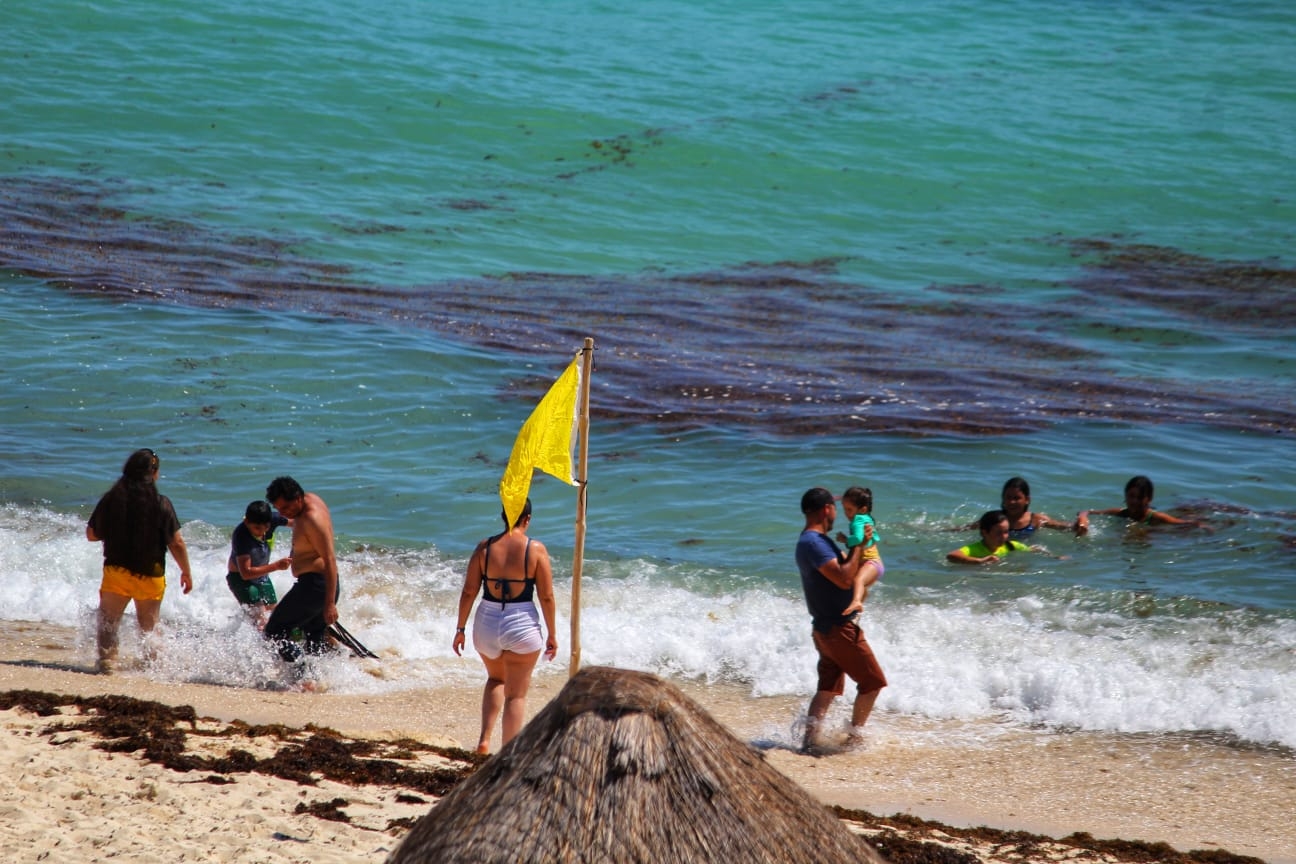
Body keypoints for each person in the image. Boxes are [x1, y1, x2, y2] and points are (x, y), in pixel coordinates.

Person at [453, 498, 558, 754]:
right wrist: (552, 633)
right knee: (516, 695)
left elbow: (469, 591)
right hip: (521, 623)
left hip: (486, 622)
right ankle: (508, 753)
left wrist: (460, 628)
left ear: (503, 515)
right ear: (528, 518)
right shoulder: (535, 550)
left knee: (495, 679)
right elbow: (546, 596)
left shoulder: (484, 547)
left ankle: (484, 740)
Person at [796, 487, 886, 754]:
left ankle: (809, 742)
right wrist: (859, 544)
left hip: (826, 628)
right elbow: (845, 578)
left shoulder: (813, 541)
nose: (838, 512)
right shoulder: (814, 543)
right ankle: (853, 740)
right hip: (838, 628)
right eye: (835, 507)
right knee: (873, 682)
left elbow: (844, 572)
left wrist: (856, 549)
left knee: (827, 688)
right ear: (826, 510)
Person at [85, 448, 193, 674]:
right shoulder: (162, 503)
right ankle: (153, 667)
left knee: (108, 623)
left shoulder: (112, 499)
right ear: (153, 473)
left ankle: (107, 664)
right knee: (149, 628)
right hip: (151, 576)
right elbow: (176, 543)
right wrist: (186, 572)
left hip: (117, 571)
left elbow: (92, 535)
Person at [262, 476, 339, 664]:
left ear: (297, 498)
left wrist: (329, 604)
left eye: (286, 508)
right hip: (317, 585)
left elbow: (330, 560)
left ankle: (302, 673)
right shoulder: (310, 500)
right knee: (314, 636)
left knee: (274, 631)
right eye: (279, 509)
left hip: (316, 587)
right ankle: (317, 680)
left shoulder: (312, 518)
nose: (283, 513)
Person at [225, 500, 292, 629]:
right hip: (240, 579)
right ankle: (260, 648)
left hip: (262, 577)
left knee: (274, 613)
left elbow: (298, 523)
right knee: (260, 620)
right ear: (246, 522)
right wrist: (276, 566)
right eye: (256, 528)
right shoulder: (241, 536)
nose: (261, 531)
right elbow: (246, 573)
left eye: (265, 528)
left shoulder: (272, 519)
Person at [1075, 475, 1201, 534]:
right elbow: (1087, 511)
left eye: (1140, 498)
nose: (1134, 501)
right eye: (1131, 496)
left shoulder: (1158, 517)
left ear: (1149, 499)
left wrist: (1201, 526)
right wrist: (1083, 518)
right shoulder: (1120, 513)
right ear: (1125, 496)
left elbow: (1183, 523)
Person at [834, 486, 883, 615]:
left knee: (858, 581)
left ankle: (856, 602)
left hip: (871, 563)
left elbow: (859, 539)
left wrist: (846, 540)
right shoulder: (865, 518)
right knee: (858, 584)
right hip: (871, 563)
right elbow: (861, 541)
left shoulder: (857, 520)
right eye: (844, 509)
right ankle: (856, 611)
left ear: (862, 509)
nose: (846, 513)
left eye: (849, 509)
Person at [997, 476, 1081, 539]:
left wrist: (1080, 524)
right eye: (1008, 497)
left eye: (1016, 498)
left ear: (1027, 500)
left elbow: (1067, 527)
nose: (1011, 502)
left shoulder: (1036, 519)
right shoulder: (995, 519)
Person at [947, 509, 1034, 564]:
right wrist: (980, 561)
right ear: (984, 533)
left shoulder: (1011, 546)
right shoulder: (974, 549)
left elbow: (1031, 549)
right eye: (998, 533)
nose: (1004, 536)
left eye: (1006, 532)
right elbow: (951, 556)